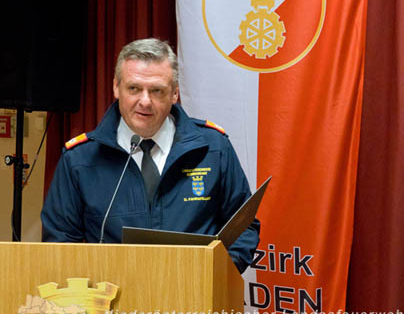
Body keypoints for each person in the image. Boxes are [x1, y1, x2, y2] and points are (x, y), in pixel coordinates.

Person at [42, 38, 259, 272]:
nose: (144, 101)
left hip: (197, 298)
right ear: (116, 87)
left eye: (156, 91)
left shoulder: (213, 148)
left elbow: (243, 227)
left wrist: (216, 276)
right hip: (112, 302)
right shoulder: (80, 159)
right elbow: (60, 243)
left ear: (175, 93)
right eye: (134, 88)